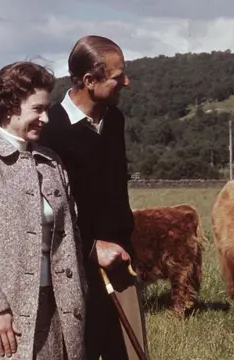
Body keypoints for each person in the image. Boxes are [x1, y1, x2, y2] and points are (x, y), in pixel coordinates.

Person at [0, 61, 87, 360]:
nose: (46, 118)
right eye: (37, 109)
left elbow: (71, 234)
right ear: (9, 106)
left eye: (46, 109)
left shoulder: (52, 163)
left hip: (55, 312)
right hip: (1, 321)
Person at [38, 35, 149, 360]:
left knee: (126, 351)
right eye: (118, 76)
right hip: (72, 267)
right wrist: (90, 248)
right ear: (89, 80)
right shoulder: (50, 131)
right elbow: (46, 209)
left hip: (120, 261)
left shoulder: (114, 120)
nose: (126, 82)